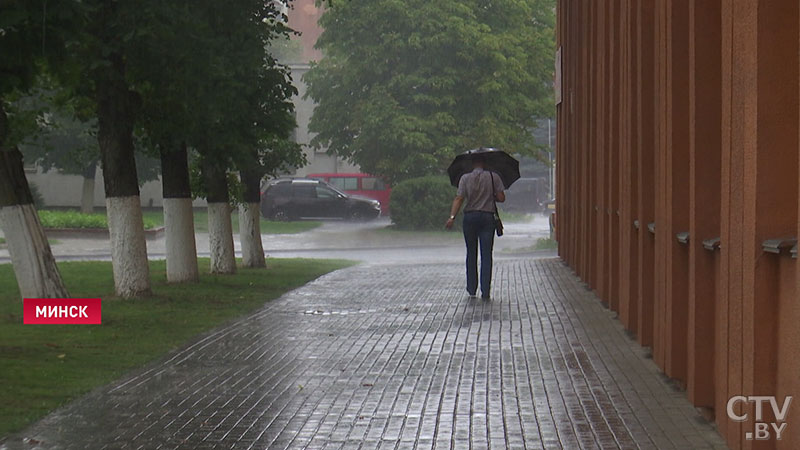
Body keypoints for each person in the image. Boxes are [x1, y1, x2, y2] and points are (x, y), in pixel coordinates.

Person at [445, 154, 505, 300]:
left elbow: (459, 198)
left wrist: (452, 217)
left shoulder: (465, 178)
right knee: (486, 255)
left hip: (470, 218)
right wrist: (493, 195)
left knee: (471, 253)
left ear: (473, 164)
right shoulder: (493, 177)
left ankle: (472, 288)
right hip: (487, 217)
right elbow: (502, 198)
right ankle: (485, 290)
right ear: (484, 163)